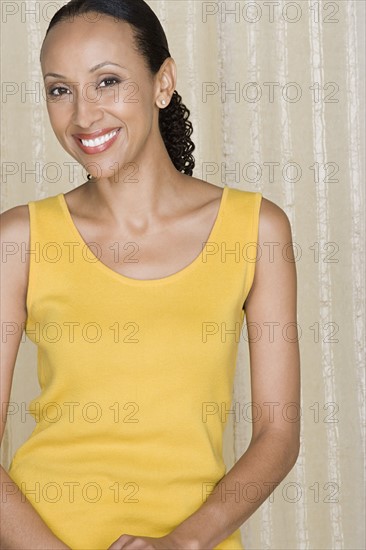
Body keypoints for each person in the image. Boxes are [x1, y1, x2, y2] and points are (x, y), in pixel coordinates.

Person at [0, 0, 301, 549]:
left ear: (163, 83)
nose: (84, 116)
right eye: (59, 89)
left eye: (107, 82)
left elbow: (277, 434)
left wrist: (183, 543)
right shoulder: (19, 240)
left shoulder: (258, 229)